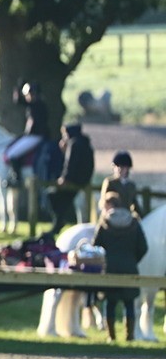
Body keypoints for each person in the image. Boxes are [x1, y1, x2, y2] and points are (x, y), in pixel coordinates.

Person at [92, 192, 148, 342]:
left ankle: (111, 336)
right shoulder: (134, 222)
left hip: (110, 268)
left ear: (109, 205)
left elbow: (95, 247)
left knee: (110, 303)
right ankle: (129, 336)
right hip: (129, 267)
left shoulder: (104, 222)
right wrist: (133, 260)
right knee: (129, 303)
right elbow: (143, 247)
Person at [48, 123, 94, 234]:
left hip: (74, 181)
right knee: (63, 201)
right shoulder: (85, 143)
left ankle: (59, 222)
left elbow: (70, 163)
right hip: (84, 180)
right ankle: (59, 222)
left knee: (51, 196)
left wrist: (65, 178)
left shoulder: (74, 143)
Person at [5, 82, 52, 182]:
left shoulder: (36, 104)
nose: (27, 97)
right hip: (34, 135)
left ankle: (17, 178)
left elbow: (18, 101)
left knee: (12, 154)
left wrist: (17, 88)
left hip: (36, 136)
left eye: (28, 94)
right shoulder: (39, 104)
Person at [100, 151, 141, 218]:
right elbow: (103, 202)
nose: (120, 169)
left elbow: (135, 205)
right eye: (118, 167)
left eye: (123, 167)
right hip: (111, 217)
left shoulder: (131, 185)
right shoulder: (110, 182)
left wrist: (143, 218)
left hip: (126, 216)